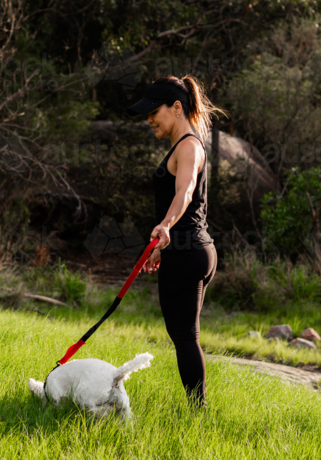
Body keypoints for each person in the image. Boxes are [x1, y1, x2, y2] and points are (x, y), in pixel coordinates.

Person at [126, 74, 227, 408]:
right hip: (191, 248)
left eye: (154, 111)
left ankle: (199, 413)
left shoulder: (188, 146)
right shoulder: (187, 145)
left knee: (184, 336)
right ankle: (198, 409)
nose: (149, 119)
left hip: (187, 250)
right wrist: (162, 246)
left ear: (177, 107)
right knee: (184, 334)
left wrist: (165, 227)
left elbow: (184, 191)